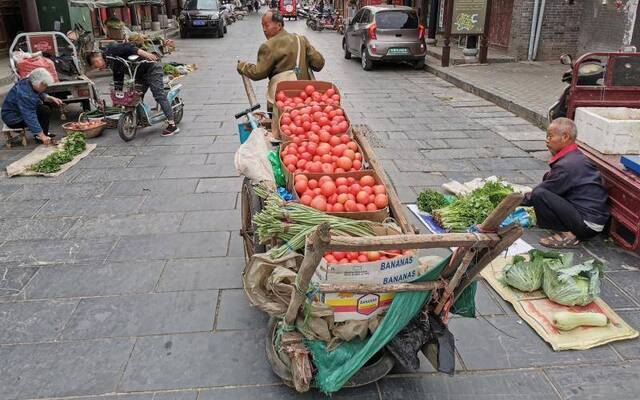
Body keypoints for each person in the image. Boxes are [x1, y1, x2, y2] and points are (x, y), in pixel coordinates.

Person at [522, 118, 610, 248]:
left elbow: (544, 192)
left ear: (565, 137)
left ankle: (567, 235)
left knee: (540, 194)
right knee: (547, 179)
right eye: (547, 136)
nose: (547, 140)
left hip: (588, 225)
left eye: (550, 136)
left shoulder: (568, 165)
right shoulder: (573, 157)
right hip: (589, 218)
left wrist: (515, 199)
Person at [237, 9, 325, 109]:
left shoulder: (268, 46)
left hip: (282, 100)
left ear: (279, 25)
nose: (264, 30)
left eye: (267, 25)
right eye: (262, 26)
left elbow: (258, 73)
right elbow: (318, 64)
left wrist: (243, 66)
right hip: (305, 97)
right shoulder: (301, 40)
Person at [88, 43, 179, 136]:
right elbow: (118, 76)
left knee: (159, 95)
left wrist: (146, 54)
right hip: (139, 74)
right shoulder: (111, 62)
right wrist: (117, 96)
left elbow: (129, 47)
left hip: (151, 68)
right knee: (134, 97)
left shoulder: (110, 50)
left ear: (98, 58)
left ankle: (172, 125)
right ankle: (139, 118)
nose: (98, 68)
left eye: (95, 64)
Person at [1, 68, 64, 145]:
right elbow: (29, 116)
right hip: (13, 119)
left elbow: (37, 92)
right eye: (44, 86)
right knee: (44, 110)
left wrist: (48, 97)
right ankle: (40, 136)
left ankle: (43, 133)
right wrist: (42, 135)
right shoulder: (25, 95)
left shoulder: (29, 81)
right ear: (38, 84)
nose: (45, 88)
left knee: (45, 108)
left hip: (18, 111)